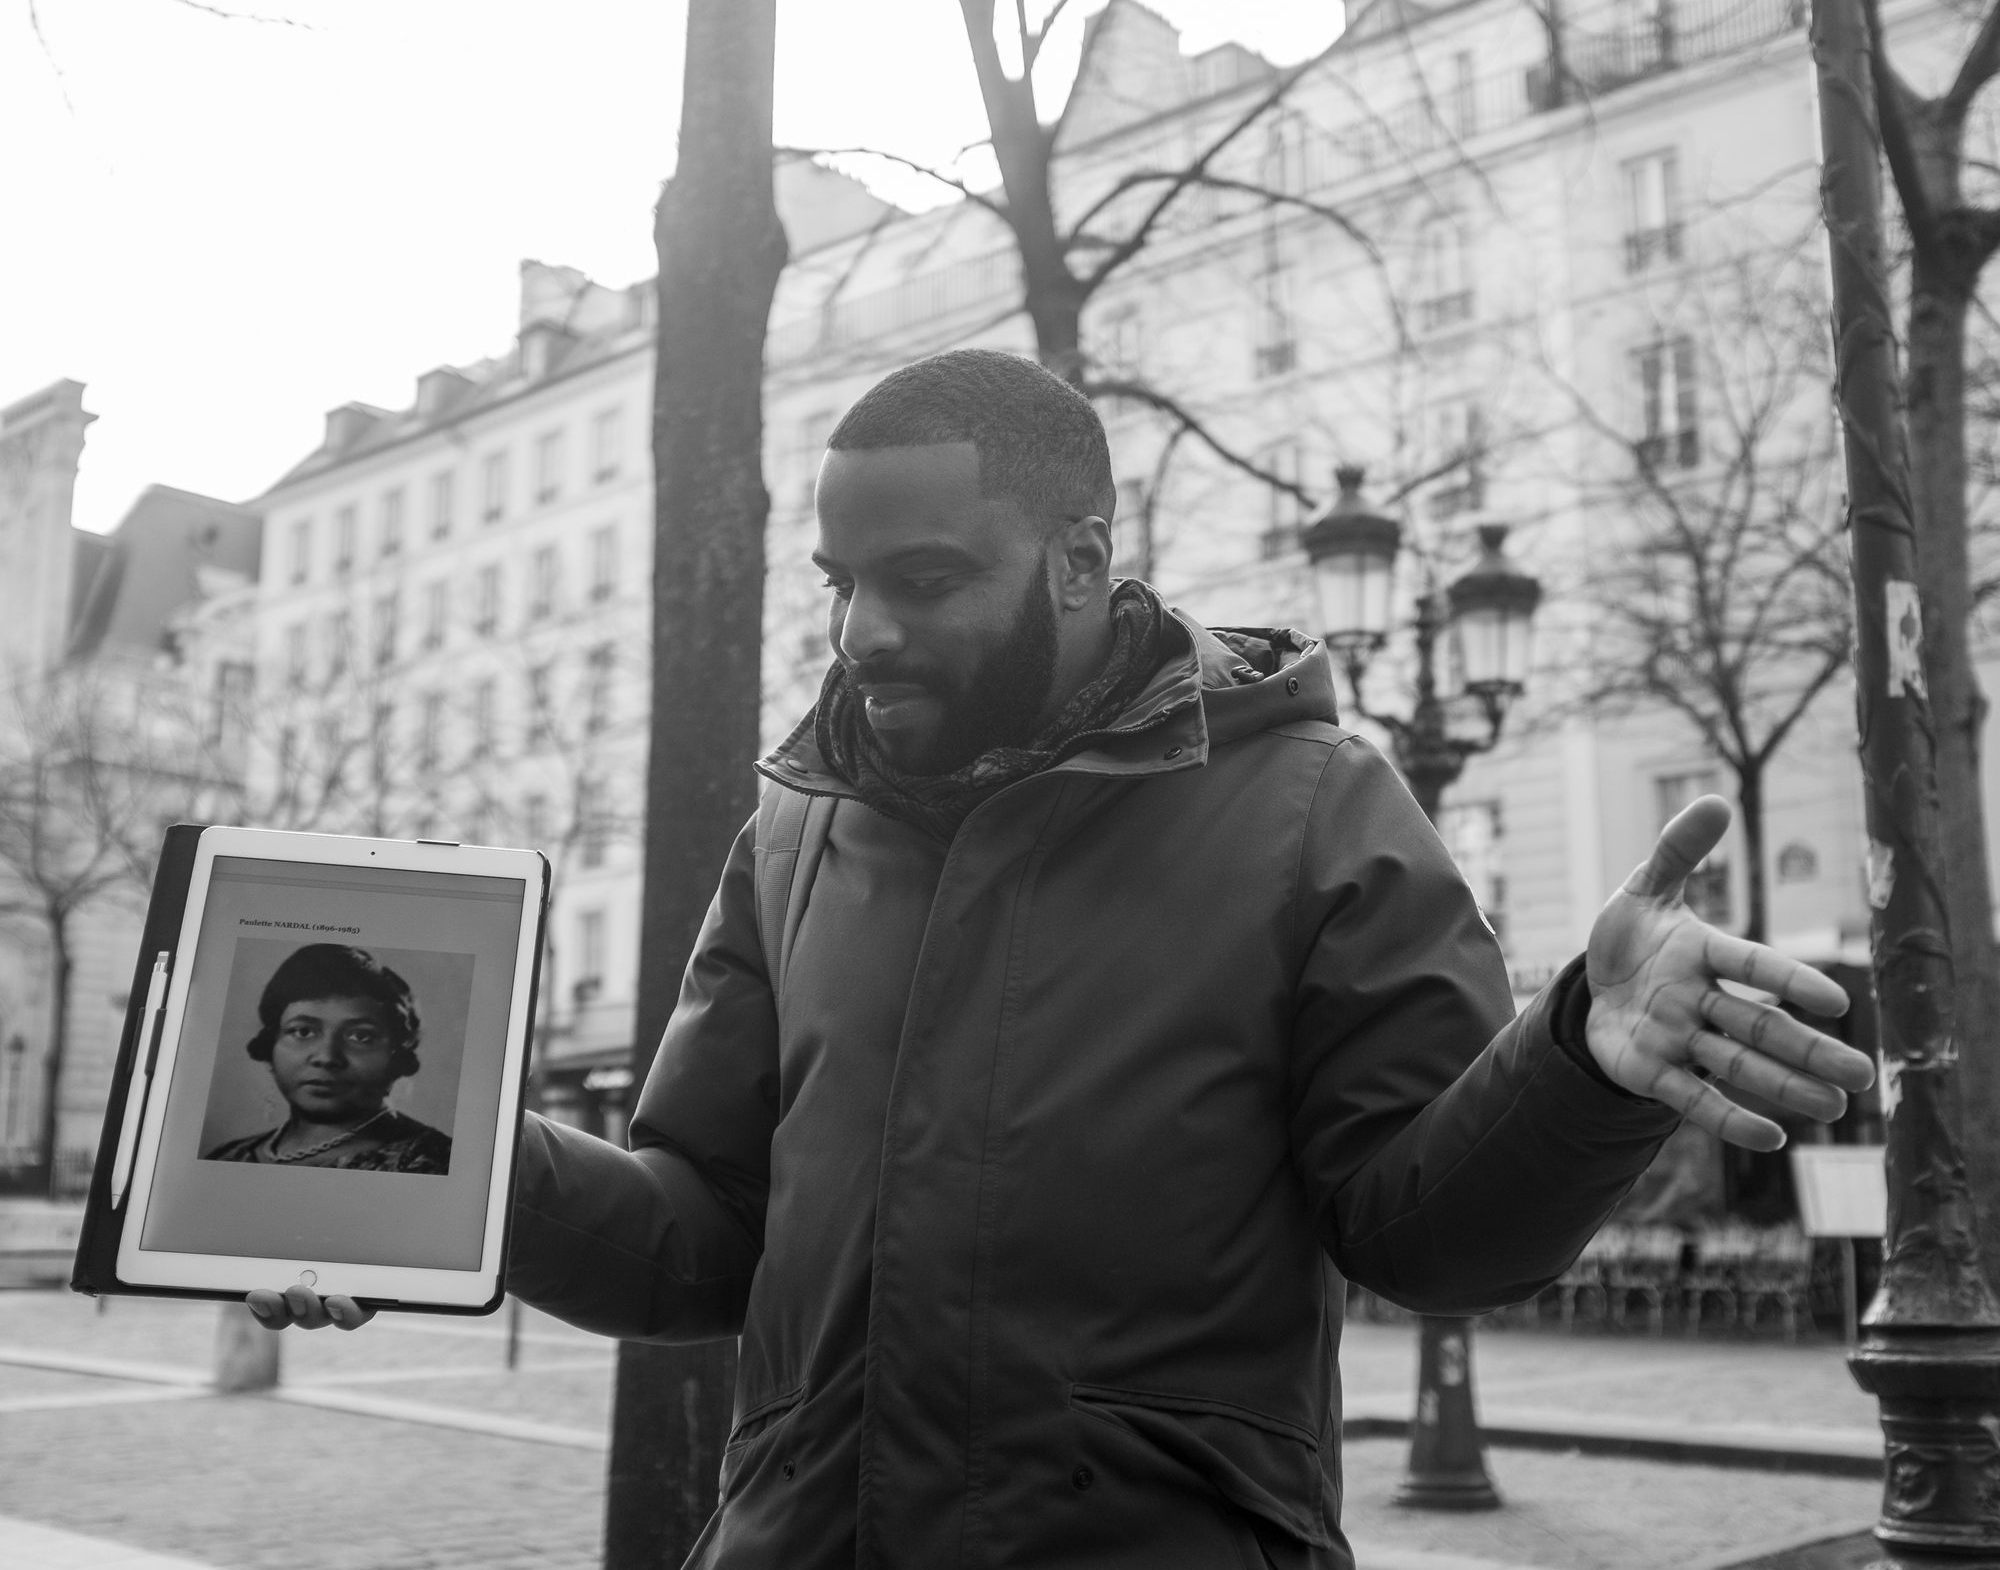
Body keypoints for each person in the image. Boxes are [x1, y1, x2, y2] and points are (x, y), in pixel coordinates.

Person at [251, 351, 1873, 1568]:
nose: (864, 632)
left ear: (1085, 564)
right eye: (845, 584)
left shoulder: (1316, 804)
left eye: (927, 580)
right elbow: (698, 1237)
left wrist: (1580, 1056)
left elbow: (1424, 1231)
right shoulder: (796, 835)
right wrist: (445, 1159)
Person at [207, 942, 452, 1175]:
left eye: (360, 1036)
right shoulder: (228, 1157)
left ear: (397, 1055)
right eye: (303, 1031)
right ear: (270, 1045)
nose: (326, 1057)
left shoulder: (429, 1161)